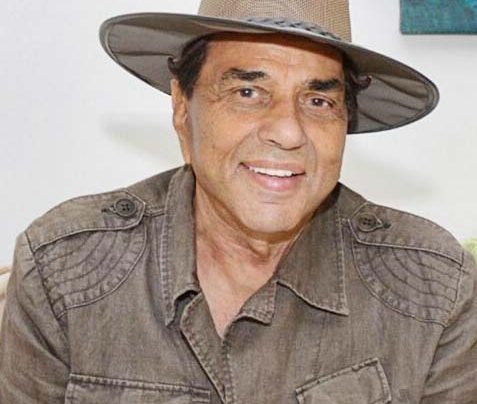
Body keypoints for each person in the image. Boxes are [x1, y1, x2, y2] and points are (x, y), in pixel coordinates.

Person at [1, 0, 476, 402]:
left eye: (318, 101)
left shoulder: (433, 290)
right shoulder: (63, 271)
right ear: (182, 109)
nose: (288, 132)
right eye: (248, 92)